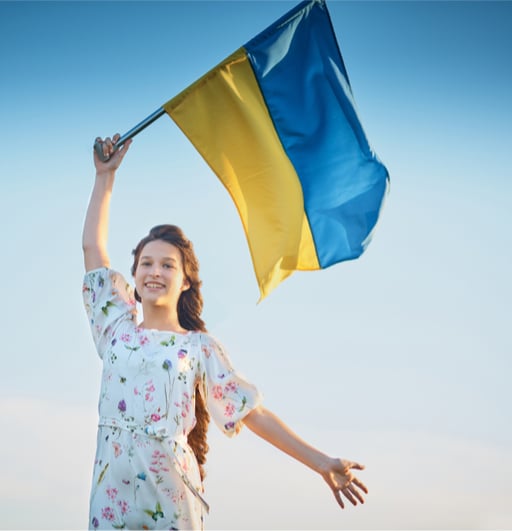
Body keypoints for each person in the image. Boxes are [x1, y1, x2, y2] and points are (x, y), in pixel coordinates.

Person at [82, 134, 368, 530]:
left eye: (168, 266)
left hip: (172, 505)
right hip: (111, 507)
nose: (155, 272)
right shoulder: (115, 327)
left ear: (185, 281)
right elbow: (93, 251)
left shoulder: (199, 349)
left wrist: (322, 462)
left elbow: (254, 413)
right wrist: (105, 177)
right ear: (133, 275)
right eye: (146, 263)